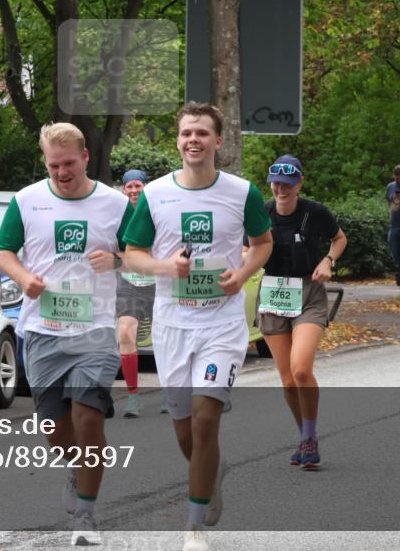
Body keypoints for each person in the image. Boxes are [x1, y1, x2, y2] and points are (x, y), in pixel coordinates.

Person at [123, 102, 273, 551]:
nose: (194, 140)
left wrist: (242, 275)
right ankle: (211, 474)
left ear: (218, 141)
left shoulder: (241, 192)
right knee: (186, 431)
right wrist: (167, 267)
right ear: (178, 140)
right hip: (173, 324)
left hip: (222, 324)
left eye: (202, 133)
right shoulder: (153, 194)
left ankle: (192, 529)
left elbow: (262, 244)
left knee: (207, 421)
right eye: (187, 133)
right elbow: (132, 254)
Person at [0, 123, 131, 546]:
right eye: (53, 165)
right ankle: (78, 469)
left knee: (88, 419)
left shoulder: (114, 204)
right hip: (42, 329)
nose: (61, 172)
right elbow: (3, 250)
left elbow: (143, 256)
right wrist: (23, 277)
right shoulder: (27, 200)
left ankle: (86, 517)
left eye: (69, 163)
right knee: (55, 429)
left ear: (86, 157)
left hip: (94, 329)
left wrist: (117, 258)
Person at [256, 155, 347, 471]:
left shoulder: (314, 212)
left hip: (308, 293)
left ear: (299, 184)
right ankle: (306, 437)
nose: (281, 189)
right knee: (287, 380)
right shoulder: (261, 213)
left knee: (301, 369)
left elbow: (339, 239)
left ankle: (309, 437)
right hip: (273, 294)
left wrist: (328, 261)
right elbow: (247, 247)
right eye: (276, 183)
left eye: (288, 184)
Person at [116, 169, 157, 418]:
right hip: (128, 283)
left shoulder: (155, 210)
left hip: (157, 282)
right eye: (129, 187)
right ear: (124, 190)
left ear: (145, 188)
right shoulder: (119, 214)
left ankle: (168, 392)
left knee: (162, 337)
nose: (133, 191)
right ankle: (133, 397)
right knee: (125, 334)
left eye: (137, 186)